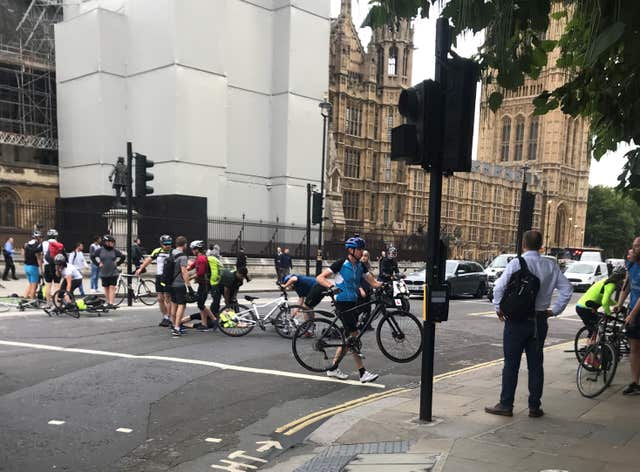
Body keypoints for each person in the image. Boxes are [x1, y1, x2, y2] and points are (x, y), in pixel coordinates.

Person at [486, 230, 573, 418]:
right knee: (536, 365)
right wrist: (554, 310)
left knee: (511, 364)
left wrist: (498, 308)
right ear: (541, 244)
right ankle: (534, 407)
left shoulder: (517, 263)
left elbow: (499, 287)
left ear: (523, 244)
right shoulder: (551, 266)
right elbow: (567, 289)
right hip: (539, 321)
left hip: (516, 321)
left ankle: (506, 404)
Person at [316, 236, 383, 383]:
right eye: (359, 249)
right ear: (351, 250)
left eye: (362, 249)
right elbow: (320, 277)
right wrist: (331, 287)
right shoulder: (341, 263)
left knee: (349, 339)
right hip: (342, 303)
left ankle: (333, 368)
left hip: (353, 302)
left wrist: (385, 283)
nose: (361, 252)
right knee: (354, 338)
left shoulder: (360, 266)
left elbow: (373, 282)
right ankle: (362, 373)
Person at [613, 236, 640, 395]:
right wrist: (620, 303)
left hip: (637, 311)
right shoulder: (631, 264)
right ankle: (635, 382)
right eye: (634, 246)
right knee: (634, 348)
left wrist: (632, 315)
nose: (634, 248)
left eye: (638, 246)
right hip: (634, 309)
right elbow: (627, 285)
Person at [575, 266, 626, 337]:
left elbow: (607, 299)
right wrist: (609, 314)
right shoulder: (611, 285)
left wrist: (617, 304)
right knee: (594, 330)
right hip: (585, 308)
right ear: (620, 279)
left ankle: (592, 345)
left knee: (596, 328)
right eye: (623, 279)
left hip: (583, 306)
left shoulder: (605, 281)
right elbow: (604, 302)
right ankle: (590, 346)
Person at [136, 235, 173, 327]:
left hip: (169, 277)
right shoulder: (157, 251)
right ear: (161, 244)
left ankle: (168, 317)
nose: (168, 246)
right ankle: (165, 316)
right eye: (165, 244)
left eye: (169, 244)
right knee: (160, 299)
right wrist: (141, 269)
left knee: (167, 297)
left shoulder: (173, 252)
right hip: (159, 276)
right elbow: (148, 260)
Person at [187, 240, 218, 332]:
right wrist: (184, 270)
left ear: (197, 249)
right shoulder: (199, 258)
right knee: (201, 304)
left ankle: (214, 320)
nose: (192, 251)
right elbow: (192, 266)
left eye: (193, 249)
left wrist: (190, 278)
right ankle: (204, 324)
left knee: (200, 304)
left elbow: (200, 273)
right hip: (202, 284)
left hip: (205, 284)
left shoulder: (201, 259)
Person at [90, 235, 124, 307]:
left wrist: (117, 263)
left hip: (113, 272)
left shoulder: (115, 250)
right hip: (103, 272)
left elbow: (123, 256)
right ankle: (108, 302)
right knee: (106, 287)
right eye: (111, 242)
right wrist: (98, 263)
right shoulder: (100, 250)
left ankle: (111, 303)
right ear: (106, 242)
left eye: (113, 242)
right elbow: (92, 256)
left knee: (112, 287)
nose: (112, 244)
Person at [168, 236, 190, 337]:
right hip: (179, 284)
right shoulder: (183, 256)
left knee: (173, 304)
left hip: (170, 283)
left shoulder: (171, 253)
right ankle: (177, 328)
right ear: (184, 245)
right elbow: (184, 272)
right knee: (181, 305)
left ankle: (173, 325)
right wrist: (188, 285)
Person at [42, 229, 64, 305]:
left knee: (48, 285)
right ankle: (56, 303)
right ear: (56, 237)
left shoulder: (43, 244)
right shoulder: (58, 244)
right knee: (56, 285)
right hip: (56, 266)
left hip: (47, 266)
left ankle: (48, 303)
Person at [22, 231, 43, 299]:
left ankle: (24, 299)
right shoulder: (37, 245)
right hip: (33, 267)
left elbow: (23, 254)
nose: (41, 239)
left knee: (31, 284)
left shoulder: (27, 244)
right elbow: (38, 258)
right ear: (38, 238)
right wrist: (41, 269)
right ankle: (32, 301)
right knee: (34, 286)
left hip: (26, 266)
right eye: (40, 237)